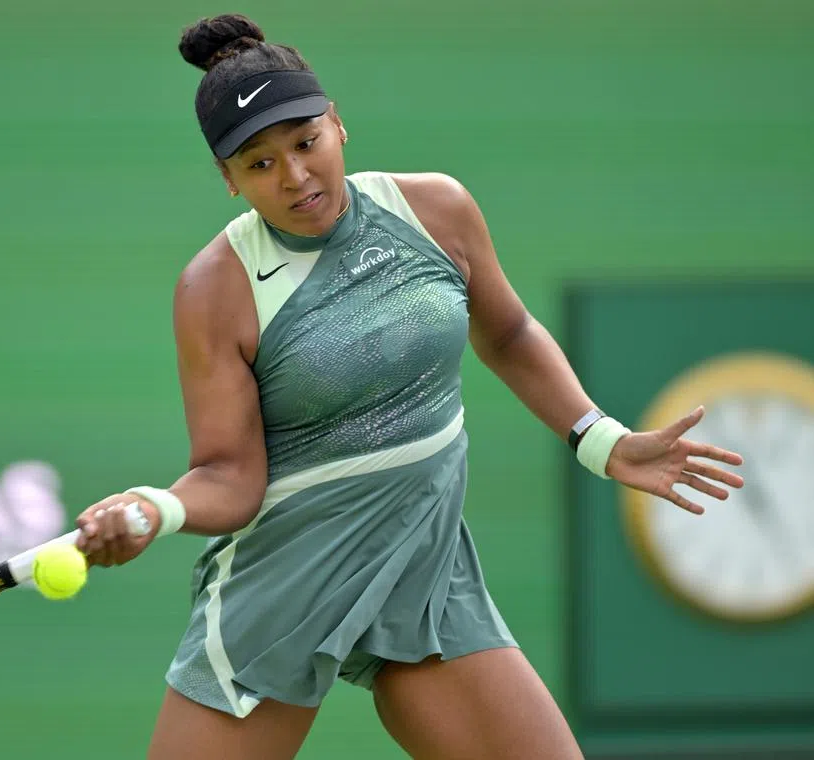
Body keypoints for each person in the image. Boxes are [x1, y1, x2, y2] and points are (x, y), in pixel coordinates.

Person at [73, 14, 744, 760]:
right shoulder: (214, 288)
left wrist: (603, 442)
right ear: (229, 181)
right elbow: (230, 477)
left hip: (422, 575)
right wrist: (154, 508)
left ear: (338, 124)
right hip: (283, 590)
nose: (295, 176)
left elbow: (510, 333)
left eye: (305, 141)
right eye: (260, 165)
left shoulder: (435, 210)